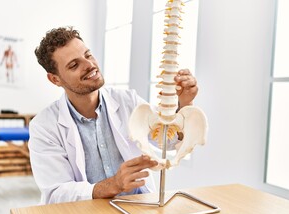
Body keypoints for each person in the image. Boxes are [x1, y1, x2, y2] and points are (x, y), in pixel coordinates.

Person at [30, 26, 198, 204]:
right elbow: (56, 193)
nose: (89, 65)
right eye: (74, 65)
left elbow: (168, 141)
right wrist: (113, 184)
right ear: (55, 79)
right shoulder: (44, 126)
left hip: (138, 209)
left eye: (88, 55)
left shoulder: (128, 101)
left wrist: (184, 104)